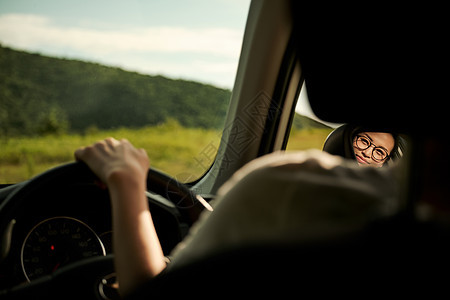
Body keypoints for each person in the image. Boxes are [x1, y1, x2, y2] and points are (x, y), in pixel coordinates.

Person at [74, 137, 401, 297]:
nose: (366, 154)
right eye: (364, 143)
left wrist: (126, 178)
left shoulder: (290, 185)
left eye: (378, 152)